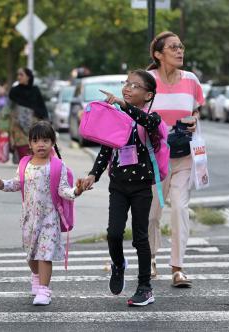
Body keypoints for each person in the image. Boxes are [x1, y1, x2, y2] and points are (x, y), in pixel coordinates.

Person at [82, 70, 163, 306]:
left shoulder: (151, 118)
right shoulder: (117, 116)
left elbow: (147, 122)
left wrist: (122, 105)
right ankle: (118, 264)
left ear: (148, 95)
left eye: (134, 86)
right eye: (126, 83)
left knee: (140, 238)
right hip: (118, 185)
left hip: (141, 187)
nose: (127, 88)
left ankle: (145, 287)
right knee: (114, 233)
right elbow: (106, 149)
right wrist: (93, 175)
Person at [0, 121, 83, 306]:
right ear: (30, 144)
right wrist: (3, 184)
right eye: (36, 140)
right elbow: (17, 183)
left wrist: (76, 191)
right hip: (29, 219)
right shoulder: (25, 163)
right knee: (31, 255)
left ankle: (44, 290)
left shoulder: (57, 166)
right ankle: (36, 276)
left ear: (52, 142)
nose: (41, 144)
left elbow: (63, 190)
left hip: (49, 218)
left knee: (44, 255)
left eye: (45, 140)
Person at [146, 31, 204, 287]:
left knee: (180, 209)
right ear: (159, 54)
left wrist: (192, 124)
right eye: (173, 48)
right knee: (150, 214)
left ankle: (178, 268)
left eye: (181, 47)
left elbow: (195, 111)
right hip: (154, 159)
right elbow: (136, 113)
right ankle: (149, 259)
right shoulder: (148, 80)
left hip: (183, 157)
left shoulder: (191, 80)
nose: (180, 51)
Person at [8, 67, 48, 160]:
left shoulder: (35, 90)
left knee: (35, 151)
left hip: (34, 126)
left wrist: (46, 121)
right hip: (18, 127)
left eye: (21, 74)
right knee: (23, 153)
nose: (19, 77)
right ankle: (24, 172)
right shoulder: (14, 91)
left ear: (28, 77)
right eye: (18, 74)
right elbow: (9, 109)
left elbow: (41, 106)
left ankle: (34, 173)